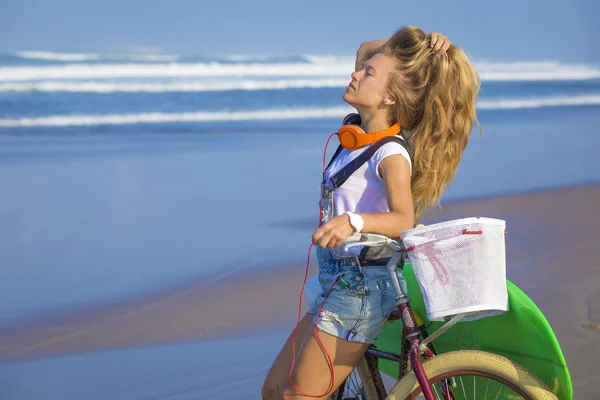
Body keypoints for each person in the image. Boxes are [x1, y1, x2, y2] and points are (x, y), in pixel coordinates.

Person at [262, 26, 480, 400]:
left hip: (360, 289)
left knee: (295, 397)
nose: (356, 72)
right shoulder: (357, 135)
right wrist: (422, 47)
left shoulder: (390, 153)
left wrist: (353, 221)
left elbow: (403, 220)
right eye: (362, 69)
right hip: (334, 281)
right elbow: (367, 47)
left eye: (368, 73)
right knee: (273, 390)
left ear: (389, 97)